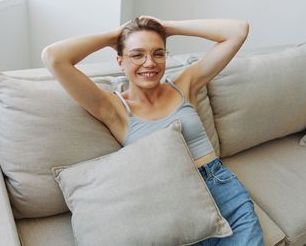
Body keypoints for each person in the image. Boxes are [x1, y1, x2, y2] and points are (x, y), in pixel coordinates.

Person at [42, 16, 264, 246]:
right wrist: (115, 35)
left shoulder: (184, 84)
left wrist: (167, 28)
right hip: (171, 208)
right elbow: (53, 57)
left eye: (158, 53)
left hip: (223, 191)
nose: (150, 63)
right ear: (120, 61)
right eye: (137, 54)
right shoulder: (113, 108)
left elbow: (238, 31)